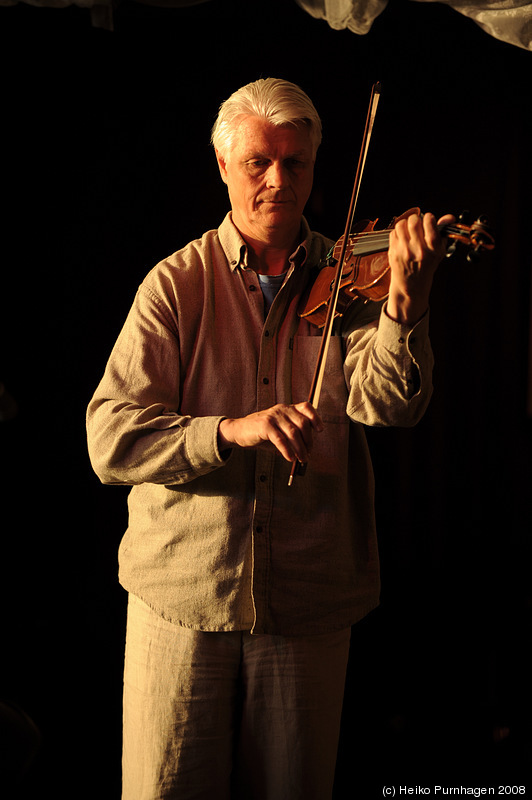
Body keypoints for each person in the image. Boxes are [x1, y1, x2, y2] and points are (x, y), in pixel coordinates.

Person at [86, 77, 453, 800]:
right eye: (259, 161)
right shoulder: (174, 287)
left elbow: (388, 407)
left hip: (309, 595)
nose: (280, 180)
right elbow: (111, 439)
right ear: (223, 165)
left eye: (297, 162)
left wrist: (405, 305)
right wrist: (229, 431)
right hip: (183, 594)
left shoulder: (351, 278)